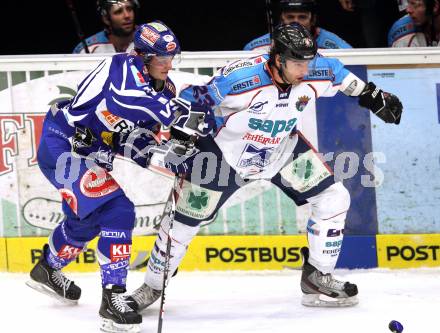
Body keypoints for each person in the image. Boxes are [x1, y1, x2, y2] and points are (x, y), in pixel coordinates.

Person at [126, 23, 403, 310]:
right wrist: (184, 132)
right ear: (279, 59)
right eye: (298, 63)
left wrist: (375, 96)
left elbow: (345, 79)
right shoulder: (241, 78)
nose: (305, 70)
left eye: (308, 61)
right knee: (182, 224)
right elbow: (195, 98)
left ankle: (317, 276)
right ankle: (152, 287)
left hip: (280, 153)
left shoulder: (317, 69)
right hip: (222, 158)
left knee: (334, 197)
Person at [27, 21, 214, 332]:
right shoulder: (118, 69)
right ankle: (112, 300)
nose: (167, 65)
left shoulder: (162, 89)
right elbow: (122, 100)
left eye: (171, 58)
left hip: (91, 152)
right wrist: (176, 113)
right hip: (63, 144)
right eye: (160, 58)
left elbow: (137, 139)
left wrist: (173, 151)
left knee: (86, 220)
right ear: (141, 56)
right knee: (118, 211)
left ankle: (48, 268)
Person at [244, 0, 352, 51]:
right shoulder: (256, 48)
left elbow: (358, 62)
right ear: (281, 20)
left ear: (313, 20)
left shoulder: (331, 43)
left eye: (302, 17)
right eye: (290, 17)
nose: (296, 22)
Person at [73, 0, 139, 54]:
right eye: (118, 12)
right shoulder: (86, 49)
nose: (127, 15)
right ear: (106, 19)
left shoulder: (148, 39)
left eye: (129, 9)